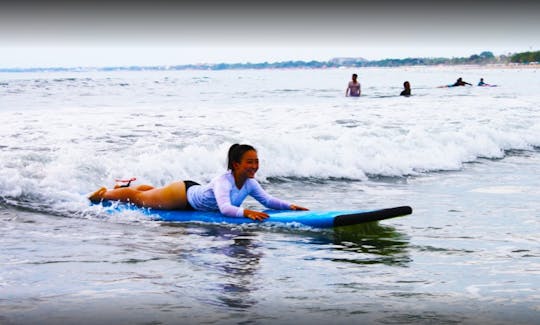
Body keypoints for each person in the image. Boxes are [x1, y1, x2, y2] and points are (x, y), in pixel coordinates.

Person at [88, 144, 308, 221]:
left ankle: (126, 187)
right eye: (249, 162)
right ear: (235, 164)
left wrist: (290, 206)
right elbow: (225, 209)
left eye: (256, 161)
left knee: (151, 194)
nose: (254, 166)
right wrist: (247, 213)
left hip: (193, 192)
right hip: (181, 196)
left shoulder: (250, 183)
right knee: (139, 199)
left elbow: (268, 200)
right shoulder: (224, 181)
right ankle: (105, 193)